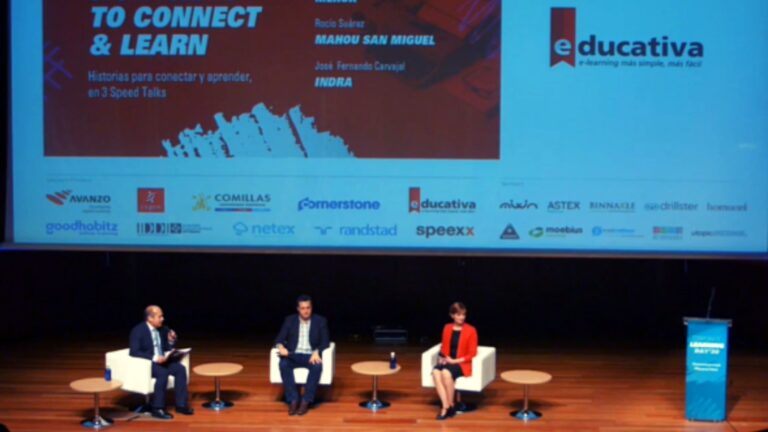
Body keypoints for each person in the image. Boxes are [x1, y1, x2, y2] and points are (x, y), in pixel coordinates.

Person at [129, 305, 193, 420]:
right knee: (163, 372)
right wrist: (154, 358)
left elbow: (166, 347)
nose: (162, 319)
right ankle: (157, 408)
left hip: (163, 361)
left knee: (180, 369)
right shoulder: (138, 331)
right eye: (160, 316)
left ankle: (181, 405)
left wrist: (171, 340)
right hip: (149, 363)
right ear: (150, 318)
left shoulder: (163, 329)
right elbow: (134, 351)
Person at [274, 295, 330, 416]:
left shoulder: (320, 321)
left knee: (317, 366)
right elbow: (279, 339)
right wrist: (281, 347)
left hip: (310, 355)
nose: (305, 311)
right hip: (293, 354)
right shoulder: (290, 320)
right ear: (298, 309)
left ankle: (306, 401)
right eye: (303, 308)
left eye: (308, 308)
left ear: (311, 308)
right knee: (283, 364)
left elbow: (325, 341)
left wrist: (317, 351)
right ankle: (293, 399)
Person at [432, 302, 478, 420]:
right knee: (436, 372)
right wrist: (442, 357)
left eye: (463, 314)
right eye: (458, 315)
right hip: (448, 360)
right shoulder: (447, 328)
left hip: (462, 363)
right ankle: (446, 406)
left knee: (446, 373)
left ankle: (450, 405)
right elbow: (444, 347)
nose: (462, 317)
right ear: (452, 315)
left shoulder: (471, 330)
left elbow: (472, 353)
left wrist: (455, 361)